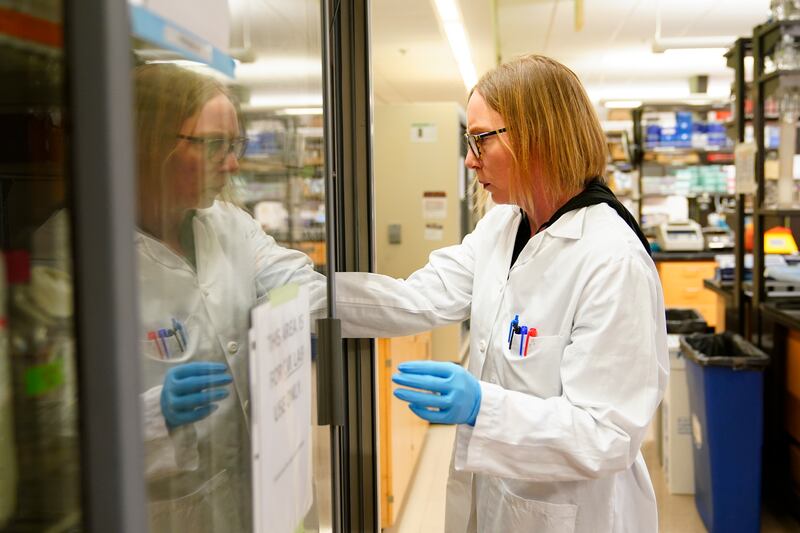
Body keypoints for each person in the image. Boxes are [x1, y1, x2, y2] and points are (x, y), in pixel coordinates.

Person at [334, 54, 668, 532]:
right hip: (499, 499)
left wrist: (482, 407)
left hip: (570, 515)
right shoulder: (503, 226)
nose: (470, 159)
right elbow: (417, 298)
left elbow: (606, 434)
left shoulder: (612, 260)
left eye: (481, 139)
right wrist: (296, 295)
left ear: (538, 136)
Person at [130, 63, 326, 531]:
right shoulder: (71, 255)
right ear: (151, 143)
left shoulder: (227, 223)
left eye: (234, 145)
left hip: (252, 491)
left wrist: (415, 298)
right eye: (214, 145)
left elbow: (296, 282)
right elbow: (46, 422)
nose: (233, 163)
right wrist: (151, 414)